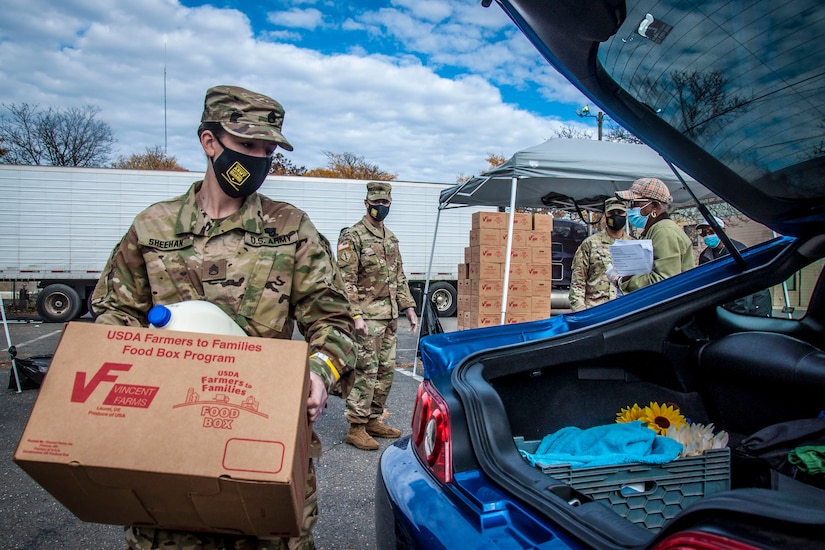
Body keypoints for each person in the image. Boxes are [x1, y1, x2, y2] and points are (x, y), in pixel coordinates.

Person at [91, 85, 356, 549]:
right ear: (209, 141)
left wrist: (319, 372)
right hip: (163, 448)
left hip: (260, 447)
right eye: (246, 145)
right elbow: (114, 315)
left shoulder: (291, 228)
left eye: (268, 150)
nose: (258, 159)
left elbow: (333, 321)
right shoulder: (153, 227)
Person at [336, 182, 419, 451]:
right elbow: (345, 281)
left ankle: (372, 419)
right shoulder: (353, 236)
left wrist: (409, 308)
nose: (380, 207)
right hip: (367, 320)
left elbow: (399, 276)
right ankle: (356, 427)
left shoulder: (390, 238)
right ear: (366, 203)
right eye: (376, 203)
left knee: (385, 373)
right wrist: (356, 315)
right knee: (365, 372)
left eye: (385, 203)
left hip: (390, 316)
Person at [610, 177, 694, 292]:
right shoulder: (654, 230)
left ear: (654, 206)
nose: (630, 208)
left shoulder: (664, 231)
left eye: (635, 203)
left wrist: (623, 282)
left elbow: (663, 281)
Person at [697, 216, 773, 316]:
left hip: (754, 306)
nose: (707, 236)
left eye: (711, 232)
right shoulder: (705, 256)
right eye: (704, 234)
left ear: (723, 231)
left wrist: (736, 314)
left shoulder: (737, 251)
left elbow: (743, 288)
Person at [568, 198, 633, 311]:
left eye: (619, 213)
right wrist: (580, 312)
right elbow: (578, 282)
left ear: (626, 215)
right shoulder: (590, 244)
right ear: (605, 216)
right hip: (596, 310)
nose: (616, 216)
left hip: (624, 309)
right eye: (611, 213)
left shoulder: (633, 245)